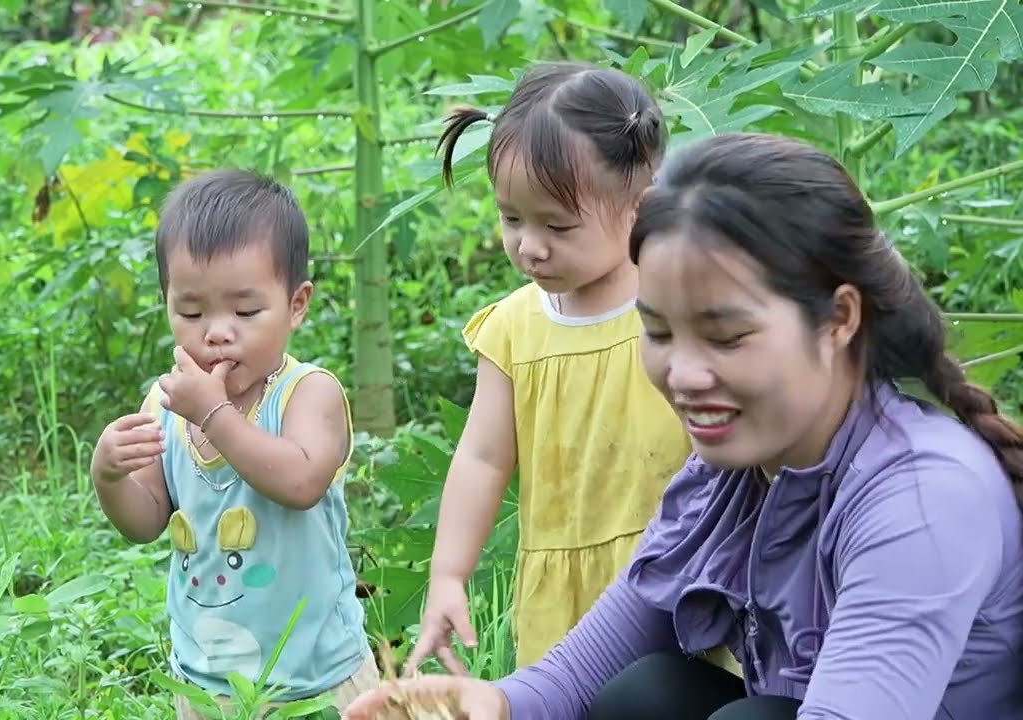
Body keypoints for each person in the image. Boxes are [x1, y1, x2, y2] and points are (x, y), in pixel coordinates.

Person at [346, 132, 1023, 719]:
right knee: (647, 694)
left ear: (840, 319)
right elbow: (584, 672)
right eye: (659, 332)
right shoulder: (737, 472)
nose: (684, 375)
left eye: (726, 338)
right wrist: (495, 703)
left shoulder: (920, 499)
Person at [406, 61, 696, 675]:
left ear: (641, 208)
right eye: (512, 218)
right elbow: (483, 458)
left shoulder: (677, 307)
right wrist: (448, 574)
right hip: (558, 587)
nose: (529, 246)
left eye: (558, 226)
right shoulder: (512, 327)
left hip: (677, 566)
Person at [90, 169, 379, 718]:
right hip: (207, 680)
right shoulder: (169, 405)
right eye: (191, 312)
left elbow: (300, 482)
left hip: (315, 679)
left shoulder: (307, 395)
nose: (217, 331)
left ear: (296, 304)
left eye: (246, 311)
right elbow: (146, 520)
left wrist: (216, 414)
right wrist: (108, 475)